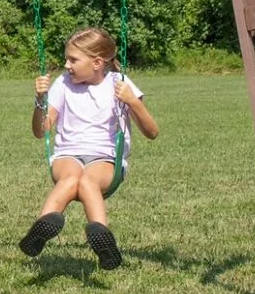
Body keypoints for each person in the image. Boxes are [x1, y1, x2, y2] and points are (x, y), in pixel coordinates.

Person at [21, 26, 158, 270]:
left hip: (105, 157)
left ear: (97, 62)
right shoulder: (63, 84)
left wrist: (132, 102)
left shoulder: (120, 84)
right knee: (71, 177)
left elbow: (152, 132)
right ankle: (41, 231)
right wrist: (40, 100)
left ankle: (102, 241)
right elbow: (41, 130)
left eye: (73, 59)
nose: (66, 65)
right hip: (68, 154)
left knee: (86, 181)